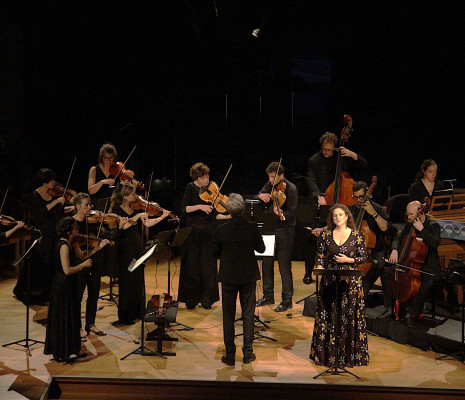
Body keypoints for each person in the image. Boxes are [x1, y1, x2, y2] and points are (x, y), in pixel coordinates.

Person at [310, 204, 369, 367]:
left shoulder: (357, 235)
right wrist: (319, 267)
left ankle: (347, 356)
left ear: (347, 217)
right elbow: (320, 256)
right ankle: (328, 355)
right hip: (330, 280)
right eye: (335, 215)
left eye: (340, 215)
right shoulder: (326, 235)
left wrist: (349, 260)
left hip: (350, 283)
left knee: (347, 316)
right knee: (329, 314)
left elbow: (364, 257)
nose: (337, 218)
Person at [305, 132, 367, 284]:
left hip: (340, 201)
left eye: (330, 150)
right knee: (314, 237)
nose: (327, 152)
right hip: (322, 201)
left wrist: (352, 154)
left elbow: (363, 164)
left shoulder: (341, 156)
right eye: (325, 149)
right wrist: (319, 195)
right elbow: (310, 180)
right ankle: (308, 272)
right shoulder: (314, 160)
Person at [214, 193, 265, 366]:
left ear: (228, 210)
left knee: (228, 316)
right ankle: (248, 353)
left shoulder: (221, 229)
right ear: (243, 209)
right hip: (248, 276)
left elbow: (214, 252)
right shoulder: (251, 227)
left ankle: (229, 356)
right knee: (248, 315)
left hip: (229, 276)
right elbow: (261, 248)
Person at [110, 182, 170, 325]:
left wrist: (162, 217)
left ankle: (138, 312)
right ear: (125, 197)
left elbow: (148, 223)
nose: (136, 197)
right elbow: (123, 227)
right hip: (125, 250)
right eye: (132, 194)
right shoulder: (116, 211)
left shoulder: (135, 209)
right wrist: (138, 217)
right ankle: (126, 316)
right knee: (127, 283)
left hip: (136, 248)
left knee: (137, 280)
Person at [14, 168, 70, 304]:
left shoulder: (53, 195)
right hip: (40, 233)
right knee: (38, 262)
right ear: (45, 182)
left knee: (50, 262)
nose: (54, 182)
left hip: (52, 232)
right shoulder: (35, 195)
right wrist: (56, 202)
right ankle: (32, 293)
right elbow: (41, 212)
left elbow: (59, 212)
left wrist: (72, 207)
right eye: (51, 180)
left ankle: (47, 293)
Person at [44, 216, 92, 363]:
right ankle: (62, 351)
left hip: (69, 285)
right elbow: (66, 270)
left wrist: (99, 247)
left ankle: (74, 348)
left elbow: (83, 255)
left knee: (72, 316)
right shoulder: (64, 246)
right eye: (75, 228)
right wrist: (82, 266)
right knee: (64, 317)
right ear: (70, 231)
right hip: (62, 285)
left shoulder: (70, 243)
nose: (78, 230)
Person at [387, 200, 441, 328]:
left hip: (429, 267)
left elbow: (435, 244)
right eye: (407, 214)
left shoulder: (433, 225)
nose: (408, 217)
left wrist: (422, 230)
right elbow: (398, 238)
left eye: (410, 214)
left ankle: (412, 313)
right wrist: (394, 249)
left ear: (420, 212)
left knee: (426, 283)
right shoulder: (409, 224)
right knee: (388, 272)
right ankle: (394, 309)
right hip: (410, 264)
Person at [178, 162, 224, 310]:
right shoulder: (190, 188)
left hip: (208, 232)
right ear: (196, 178)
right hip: (193, 233)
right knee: (192, 266)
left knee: (207, 267)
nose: (206, 180)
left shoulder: (212, 191)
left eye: (207, 177)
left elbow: (216, 214)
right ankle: (191, 298)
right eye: (203, 178)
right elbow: (184, 208)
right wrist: (199, 206)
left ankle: (206, 298)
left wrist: (228, 215)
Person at [348, 181, 395, 317]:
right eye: (355, 197)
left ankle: (359, 306)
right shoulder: (351, 209)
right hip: (355, 253)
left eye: (361, 197)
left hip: (375, 253)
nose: (358, 200)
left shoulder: (378, 209)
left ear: (368, 195)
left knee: (367, 276)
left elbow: (388, 229)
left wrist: (373, 213)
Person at [256, 161, 298, 312]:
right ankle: (268, 295)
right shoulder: (269, 185)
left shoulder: (291, 189)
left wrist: (282, 214)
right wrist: (261, 196)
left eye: (274, 177)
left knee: (284, 266)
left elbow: (292, 212)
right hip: (269, 228)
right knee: (266, 264)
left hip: (285, 230)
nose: (271, 181)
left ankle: (287, 299)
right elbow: (259, 194)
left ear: (282, 175)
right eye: (269, 177)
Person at [71, 193, 111, 339]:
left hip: (94, 262)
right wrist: (98, 247)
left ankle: (91, 324)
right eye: (86, 205)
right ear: (77, 207)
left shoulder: (91, 222)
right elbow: (77, 252)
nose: (90, 207)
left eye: (90, 204)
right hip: (80, 264)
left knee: (94, 294)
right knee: (78, 296)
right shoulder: (72, 224)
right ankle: (77, 327)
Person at [88, 143, 117, 208]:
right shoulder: (94, 170)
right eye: (106, 158)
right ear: (102, 158)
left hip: (113, 206)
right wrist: (102, 182)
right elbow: (91, 191)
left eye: (111, 158)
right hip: (97, 205)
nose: (108, 161)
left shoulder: (118, 170)